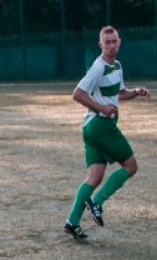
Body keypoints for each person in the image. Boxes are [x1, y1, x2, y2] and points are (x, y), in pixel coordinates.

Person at [63, 26, 150, 241]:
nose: (111, 45)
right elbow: (77, 94)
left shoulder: (117, 66)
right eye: (107, 42)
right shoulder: (98, 68)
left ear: (119, 42)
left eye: (114, 41)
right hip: (101, 125)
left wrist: (136, 92)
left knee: (94, 177)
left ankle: (72, 222)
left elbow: (119, 94)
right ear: (100, 45)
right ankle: (97, 201)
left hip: (91, 128)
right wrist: (101, 108)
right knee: (131, 166)